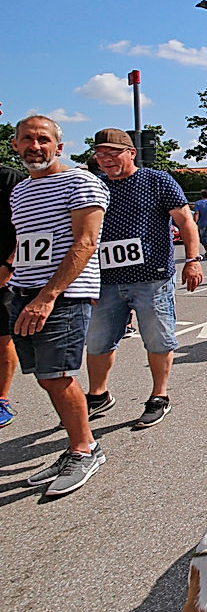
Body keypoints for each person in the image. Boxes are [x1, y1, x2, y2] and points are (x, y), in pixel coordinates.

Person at [6, 115, 109, 496]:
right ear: (15, 145)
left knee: (57, 375)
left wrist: (47, 297)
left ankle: (86, 449)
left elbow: (85, 243)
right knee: (44, 377)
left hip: (62, 296)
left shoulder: (81, 182)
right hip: (23, 292)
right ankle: (75, 446)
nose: (35, 146)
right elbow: (27, 242)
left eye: (43, 139)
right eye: (27, 139)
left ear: (59, 147)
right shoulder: (20, 191)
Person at [82, 128, 204, 429]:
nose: (107, 160)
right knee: (97, 341)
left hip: (151, 278)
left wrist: (192, 259)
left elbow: (185, 219)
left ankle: (159, 395)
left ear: (131, 153)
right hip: (106, 279)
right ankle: (98, 395)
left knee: (157, 338)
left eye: (114, 153)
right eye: (101, 154)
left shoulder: (157, 180)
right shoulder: (95, 186)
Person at [0, 163, 23, 428]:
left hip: (3, 273)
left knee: (3, 337)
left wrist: (9, 265)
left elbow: (27, 225)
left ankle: (2, 399)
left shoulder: (9, 178)